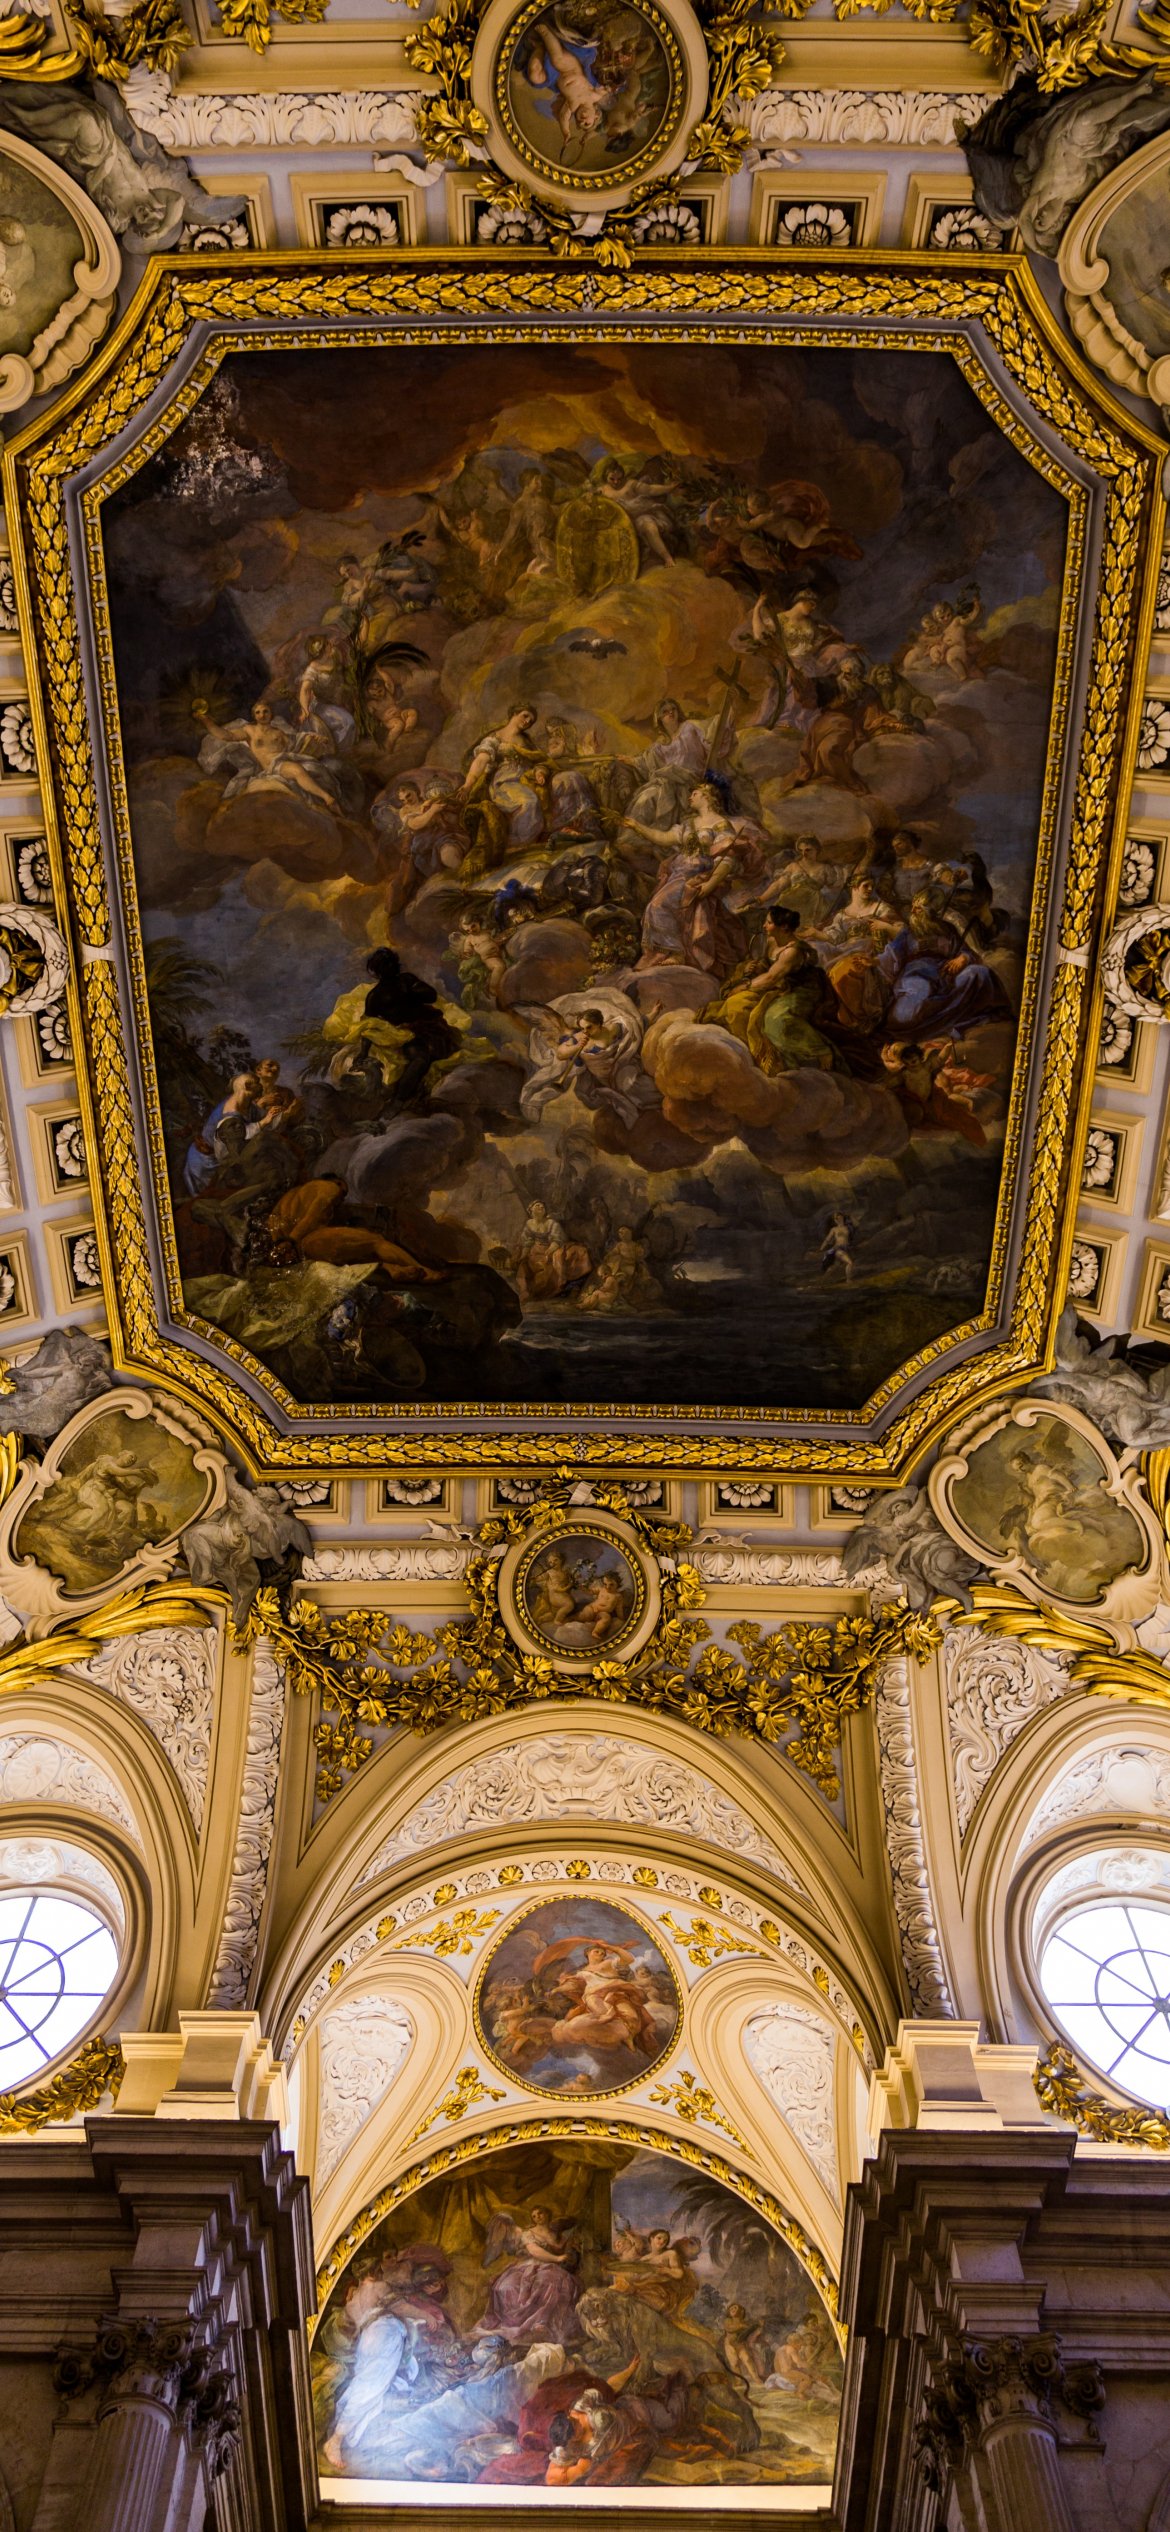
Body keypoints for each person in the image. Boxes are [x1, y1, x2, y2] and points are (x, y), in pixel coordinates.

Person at [821, 1211, 854, 1282]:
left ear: (842, 1218)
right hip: (838, 1249)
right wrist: (821, 1248)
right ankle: (848, 1280)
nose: (837, 1220)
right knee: (850, 1263)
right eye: (836, 1219)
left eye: (839, 1218)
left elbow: (856, 1226)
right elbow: (827, 1239)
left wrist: (851, 1216)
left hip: (846, 1249)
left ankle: (823, 1279)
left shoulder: (848, 1227)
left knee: (835, 1266)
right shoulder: (834, 1229)